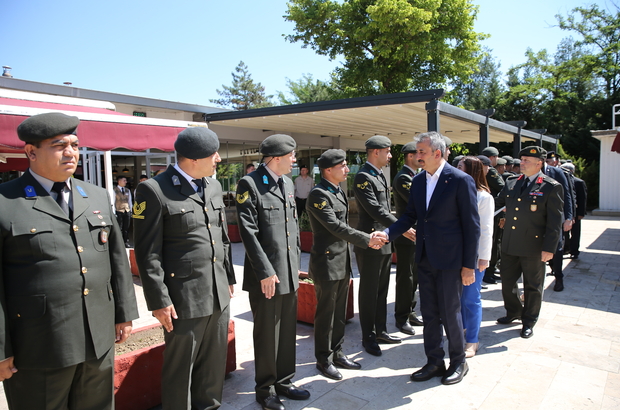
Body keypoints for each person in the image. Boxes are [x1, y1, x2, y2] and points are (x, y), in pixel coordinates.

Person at [0, 112, 138, 409]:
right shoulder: (5, 202)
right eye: (59, 145)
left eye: (75, 145)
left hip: (97, 339)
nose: (71, 153)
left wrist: (124, 313)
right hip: (40, 347)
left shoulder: (97, 195)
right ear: (31, 152)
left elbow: (117, 259)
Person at [133, 127, 235, 410]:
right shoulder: (154, 190)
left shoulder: (212, 185)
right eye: (213, 154)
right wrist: (159, 301)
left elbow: (221, 237)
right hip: (183, 299)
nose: (218, 159)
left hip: (217, 293)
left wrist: (227, 277)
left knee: (213, 364)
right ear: (191, 159)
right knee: (180, 371)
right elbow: (147, 252)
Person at [382, 131, 480, 385]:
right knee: (430, 314)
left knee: (450, 313)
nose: (416, 156)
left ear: (438, 153)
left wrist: (469, 265)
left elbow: (472, 227)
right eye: (416, 152)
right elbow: (408, 217)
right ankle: (435, 361)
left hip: (451, 261)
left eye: (421, 152)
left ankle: (459, 361)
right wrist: (386, 233)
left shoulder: (460, 180)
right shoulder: (418, 182)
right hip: (425, 258)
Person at [236, 134, 310, 410]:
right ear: (276, 158)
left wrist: (297, 266)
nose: (295, 160)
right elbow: (249, 233)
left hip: (288, 271)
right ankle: (265, 389)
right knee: (268, 333)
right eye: (291, 155)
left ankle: (285, 381)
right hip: (266, 276)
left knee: (287, 330)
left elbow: (290, 229)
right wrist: (265, 272)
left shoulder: (287, 183)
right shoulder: (250, 183)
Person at [306, 149, 385, 381]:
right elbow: (336, 227)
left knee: (339, 314)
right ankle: (323, 359)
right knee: (326, 315)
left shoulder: (336, 191)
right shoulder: (318, 195)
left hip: (341, 261)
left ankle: (337, 352)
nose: (347, 170)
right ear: (328, 170)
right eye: (342, 166)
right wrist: (367, 239)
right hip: (327, 263)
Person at [495, 146, 563, 339]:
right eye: (521, 159)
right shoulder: (511, 182)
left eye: (526, 160)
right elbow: (499, 203)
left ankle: (529, 320)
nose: (521, 163)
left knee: (533, 286)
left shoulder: (550, 186)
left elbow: (554, 222)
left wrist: (550, 249)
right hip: (510, 242)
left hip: (534, 246)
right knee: (507, 283)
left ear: (539, 163)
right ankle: (514, 311)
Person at [353, 135, 411, 357]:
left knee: (382, 289)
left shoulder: (379, 176)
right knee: (369, 291)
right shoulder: (363, 177)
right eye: (387, 152)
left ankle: (381, 330)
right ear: (375, 152)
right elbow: (376, 210)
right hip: (370, 241)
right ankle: (368, 336)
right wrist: (402, 227)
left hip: (385, 240)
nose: (389, 156)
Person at [456, 156, 494, 358]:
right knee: (459, 298)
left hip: (475, 256)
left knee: (471, 298)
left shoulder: (484, 197)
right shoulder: (457, 192)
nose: (457, 170)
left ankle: (472, 340)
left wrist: (483, 258)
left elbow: (486, 230)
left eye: (461, 167)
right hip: (456, 255)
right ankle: (461, 330)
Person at [392, 142, 423, 336]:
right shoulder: (403, 177)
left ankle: (410, 310)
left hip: (417, 234)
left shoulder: (414, 176)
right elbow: (418, 200)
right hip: (406, 235)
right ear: (409, 156)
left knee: (415, 276)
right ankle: (401, 317)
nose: (421, 157)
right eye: (418, 153)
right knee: (406, 277)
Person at [543, 151, 574, 292]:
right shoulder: (528, 173)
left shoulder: (557, 172)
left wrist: (569, 217)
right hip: (538, 218)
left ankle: (559, 277)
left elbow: (566, 194)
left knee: (557, 248)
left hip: (556, 217)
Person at [481, 147, 505, 286]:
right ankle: (488, 272)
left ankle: (489, 270)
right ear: (491, 158)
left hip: (491, 209)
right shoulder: (491, 171)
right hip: (494, 210)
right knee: (494, 241)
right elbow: (503, 187)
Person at [561, 163, 587, 259]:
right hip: (564, 210)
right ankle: (566, 248)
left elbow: (582, 199)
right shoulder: (561, 181)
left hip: (575, 211)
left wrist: (581, 213)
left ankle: (574, 250)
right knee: (564, 232)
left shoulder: (579, 182)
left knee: (575, 232)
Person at [114, 175, 132, 247]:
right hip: (119, 211)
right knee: (120, 227)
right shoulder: (114, 190)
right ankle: (119, 242)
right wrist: (114, 211)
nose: (126, 182)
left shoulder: (127, 190)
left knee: (126, 227)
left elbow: (130, 201)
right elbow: (113, 201)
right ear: (119, 181)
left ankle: (125, 241)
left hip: (127, 210)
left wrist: (130, 210)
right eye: (124, 180)